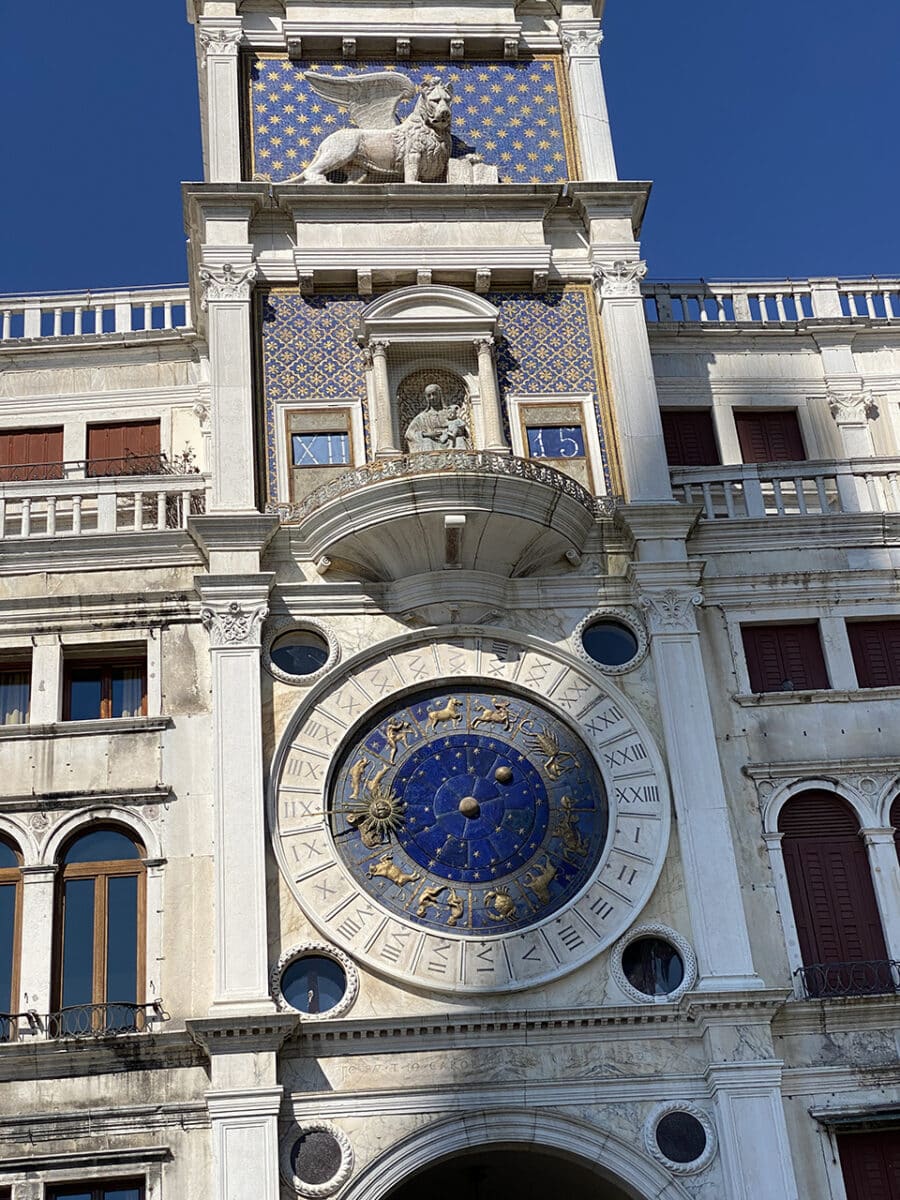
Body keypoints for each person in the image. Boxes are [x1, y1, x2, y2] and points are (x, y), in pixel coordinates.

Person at [403, 383, 471, 452]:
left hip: (450, 440)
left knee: (459, 440)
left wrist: (455, 431)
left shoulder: (449, 412)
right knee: (427, 441)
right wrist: (427, 434)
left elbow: (461, 427)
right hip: (432, 442)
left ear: (440, 395)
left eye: (434, 394)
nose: (432, 398)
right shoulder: (422, 417)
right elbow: (409, 434)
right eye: (429, 395)